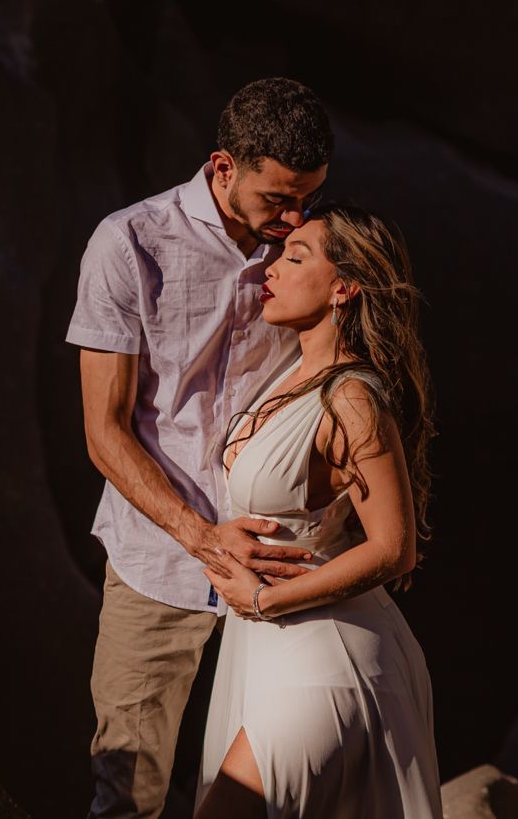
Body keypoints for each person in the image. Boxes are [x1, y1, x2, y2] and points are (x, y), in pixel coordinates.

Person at [70, 77, 335, 819]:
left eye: (308, 198)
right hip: (159, 565)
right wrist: (201, 539)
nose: (293, 218)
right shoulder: (128, 244)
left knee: (280, 790)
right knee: (129, 790)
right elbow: (104, 430)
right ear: (224, 167)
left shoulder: (314, 244)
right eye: (277, 199)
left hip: (287, 562)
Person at [196, 205, 441, 819]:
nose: (271, 269)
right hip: (269, 650)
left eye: (295, 256)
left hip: (327, 661)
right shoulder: (289, 373)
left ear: (343, 287)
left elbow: (394, 547)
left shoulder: (351, 396)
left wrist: (265, 601)